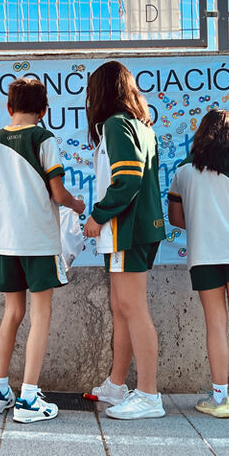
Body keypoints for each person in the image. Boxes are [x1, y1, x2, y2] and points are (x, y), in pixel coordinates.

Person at [0, 77, 85, 423]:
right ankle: (28, 398)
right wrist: (78, 205)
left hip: (6, 242)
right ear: (44, 110)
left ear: (9, 107)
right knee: (41, 315)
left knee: (12, 313)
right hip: (39, 241)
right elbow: (58, 193)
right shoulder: (43, 138)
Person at [167, 109, 229, 418]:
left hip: (204, 255)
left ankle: (220, 398)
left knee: (215, 322)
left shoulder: (183, 170)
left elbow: (175, 217)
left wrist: (204, 228)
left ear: (201, 134)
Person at [82, 61, 166, 420]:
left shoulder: (116, 125)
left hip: (125, 229)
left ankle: (148, 395)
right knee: (122, 308)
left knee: (133, 309)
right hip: (131, 229)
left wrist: (97, 215)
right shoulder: (139, 126)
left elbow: (128, 180)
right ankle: (117, 385)